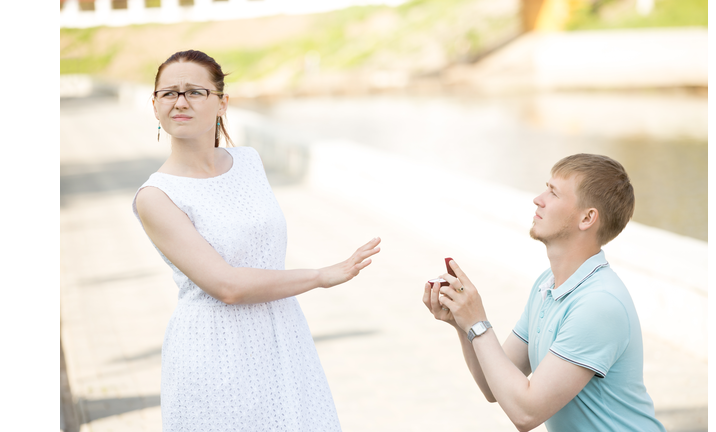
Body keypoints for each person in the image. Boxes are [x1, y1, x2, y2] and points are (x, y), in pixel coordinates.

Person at [132, 50, 381, 431]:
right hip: (214, 350)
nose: (180, 102)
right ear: (155, 106)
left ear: (221, 103)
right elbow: (227, 285)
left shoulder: (248, 161)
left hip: (283, 334)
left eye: (195, 92)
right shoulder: (156, 197)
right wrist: (319, 275)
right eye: (168, 93)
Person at [423, 154, 666, 432]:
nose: (538, 199)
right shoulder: (547, 284)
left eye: (553, 193)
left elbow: (526, 414)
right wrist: (463, 323)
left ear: (587, 218)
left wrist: (478, 324)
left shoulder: (599, 304)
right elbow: (496, 387)